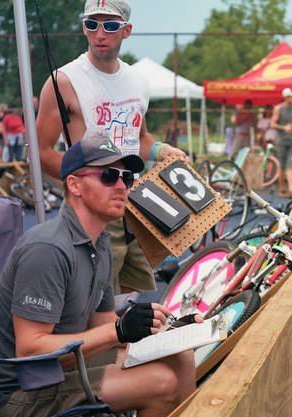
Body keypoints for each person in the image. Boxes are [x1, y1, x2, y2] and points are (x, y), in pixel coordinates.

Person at [0, 136, 199, 417]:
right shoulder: (47, 248)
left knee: (180, 356)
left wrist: (164, 330)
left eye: (127, 177)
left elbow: (104, 325)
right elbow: (31, 351)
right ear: (74, 185)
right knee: (162, 383)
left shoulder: (101, 242)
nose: (122, 186)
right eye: (109, 176)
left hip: (61, 367)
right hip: (16, 392)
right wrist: (118, 330)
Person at [36, 0, 187, 295]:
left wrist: (161, 151)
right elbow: (41, 151)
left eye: (110, 25)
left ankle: (123, 344)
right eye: (92, 24)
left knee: (132, 301)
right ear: (84, 28)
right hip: (91, 209)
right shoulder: (64, 81)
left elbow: (138, 137)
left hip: (136, 205)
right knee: (93, 303)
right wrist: (82, 184)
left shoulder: (138, 80)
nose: (100, 33)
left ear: (126, 30)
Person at [271, 88, 292, 197]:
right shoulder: (279, 109)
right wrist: (283, 127)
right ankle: (282, 189)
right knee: (281, 167)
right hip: (282, 142)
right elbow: (272, 124)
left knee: (291, 166)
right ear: (286, 97)